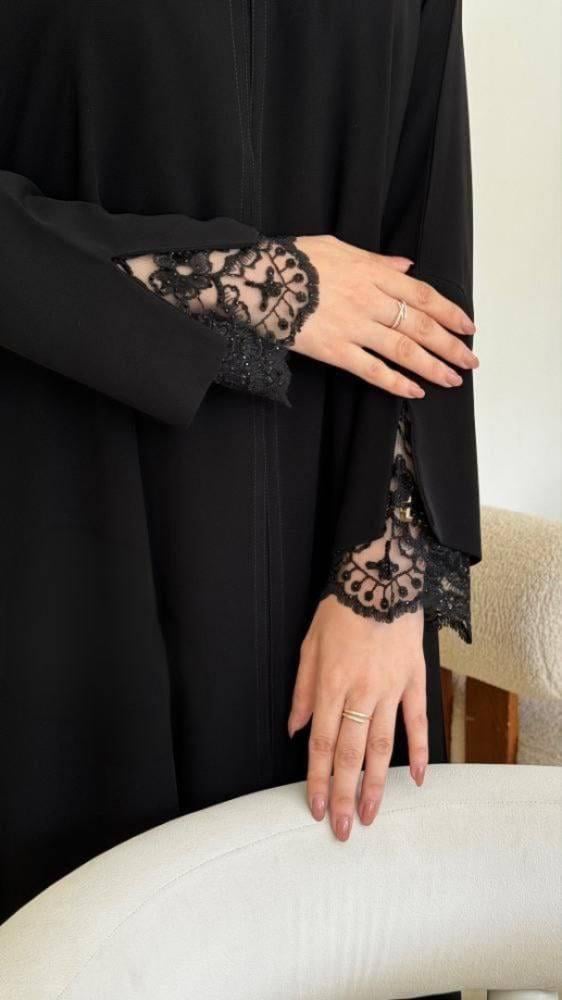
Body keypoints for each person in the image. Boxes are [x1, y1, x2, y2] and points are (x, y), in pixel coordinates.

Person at [0, 3, 480, 995]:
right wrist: (261, 282)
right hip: (67, 522)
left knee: (349, 928)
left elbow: (424, 243)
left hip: (334, 549)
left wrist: (386, 577)